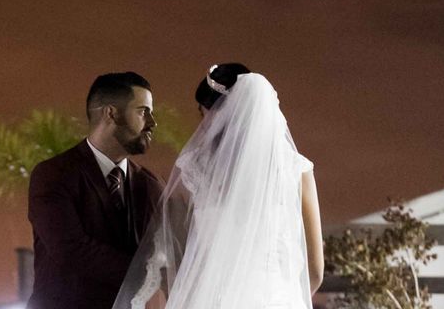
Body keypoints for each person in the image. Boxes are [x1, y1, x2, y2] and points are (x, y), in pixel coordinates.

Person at [112, 63, 324, 309]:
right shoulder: (297, 172)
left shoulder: (195, 170)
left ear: (221, 113)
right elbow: (315, 271)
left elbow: (175, 256)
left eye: (204, 113)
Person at [27, 72, 165, 309]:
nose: (152, 122)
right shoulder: (54, 174)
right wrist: (148, 272)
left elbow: (166, 249)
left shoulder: (150, 185)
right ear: (110, 113)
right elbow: (71, 250)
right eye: (143, 112)